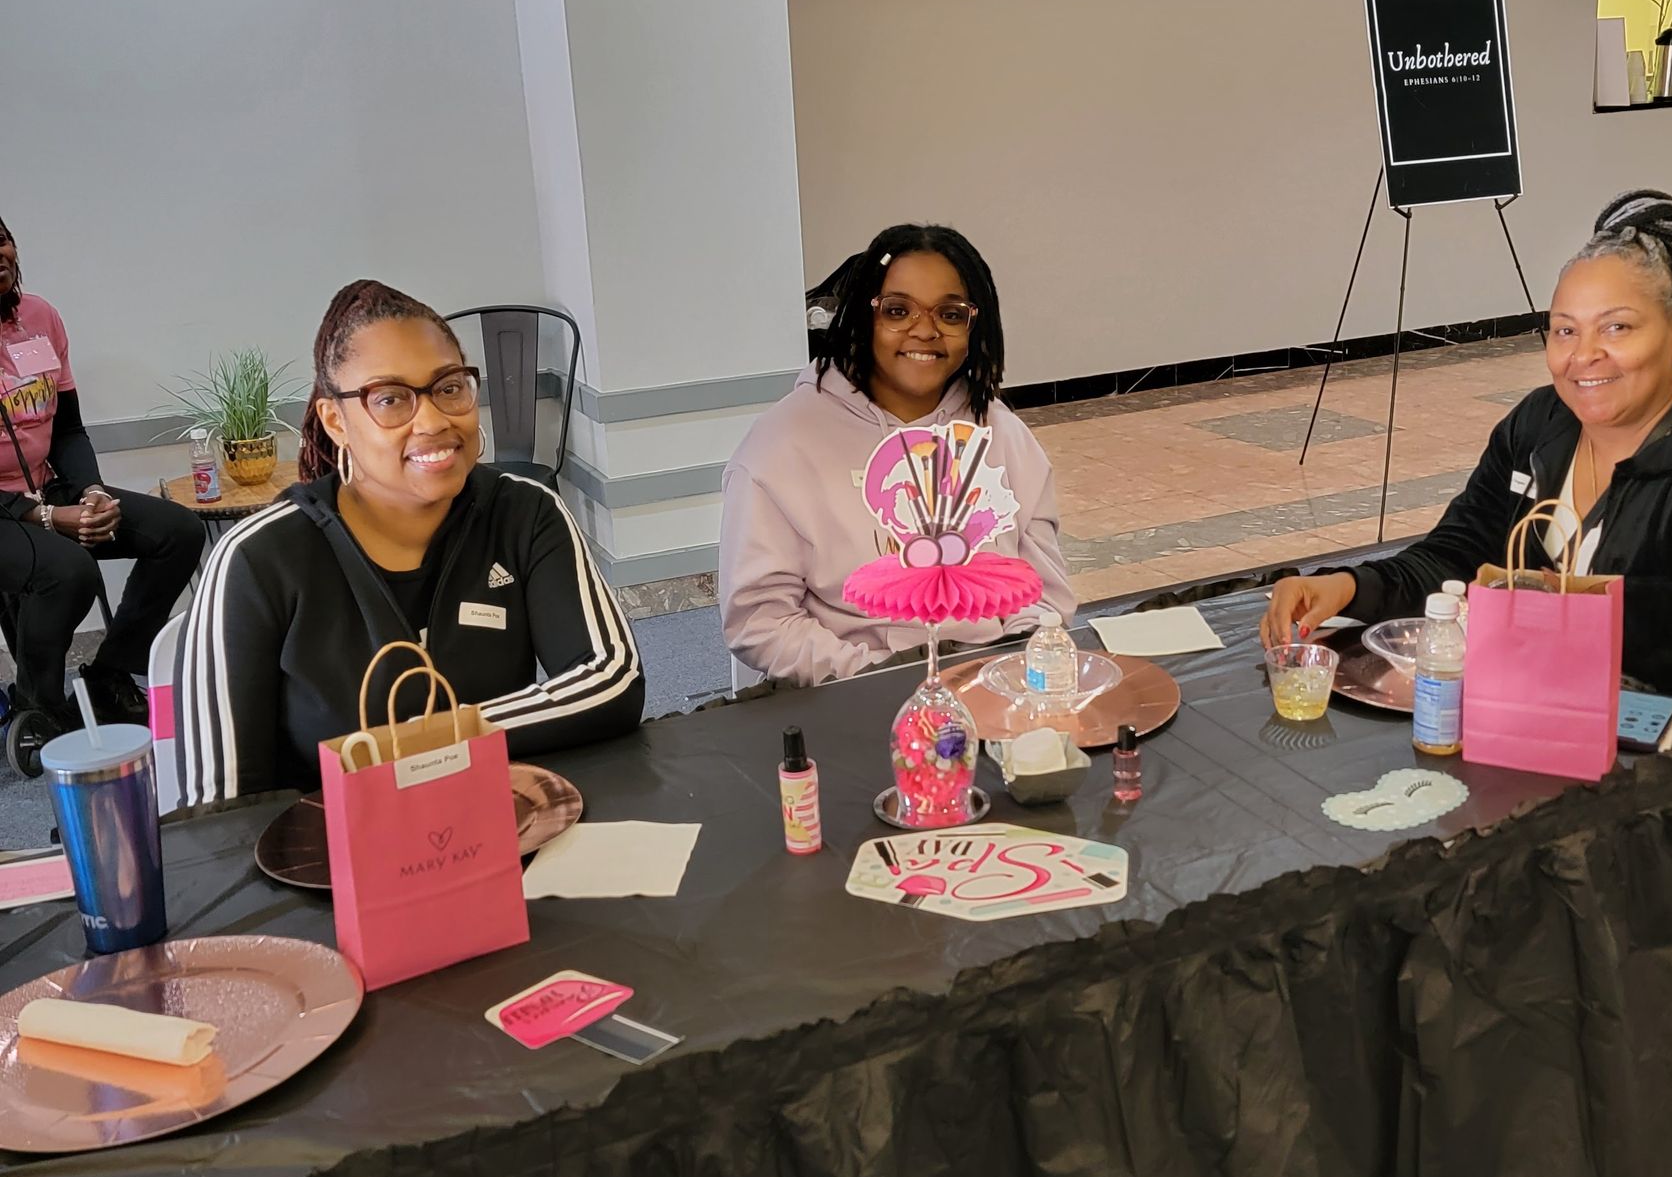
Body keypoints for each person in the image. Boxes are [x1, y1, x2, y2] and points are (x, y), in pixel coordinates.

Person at [1263, 189, 1672, 881]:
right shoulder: (1538, 428)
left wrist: (1609, 791)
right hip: (1584, 728)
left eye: (1617, 328)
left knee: (1533, 871)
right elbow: (1458, 552)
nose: (1585, 357)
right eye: (1564, 329)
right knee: (1420, 825)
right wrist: (1346, 586)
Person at [175, 279, 643, 804]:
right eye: (391, 399)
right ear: (336, 421)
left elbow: (611, 681)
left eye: (448, 387)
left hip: (500, 834)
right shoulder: (257, 559)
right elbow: (220, 811)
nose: (434, 420)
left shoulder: (523, 513)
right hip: (326, 868)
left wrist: (417, 745)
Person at [720, 223, 1076, 684]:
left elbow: (1043, 591)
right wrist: (886, 680)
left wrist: (1015, 665)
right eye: (897, 310)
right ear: (863, 319)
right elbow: (760, 621)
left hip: (994, 684)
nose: (924, 330)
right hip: (856, 693)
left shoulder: (1002, 434)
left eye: (950, 314)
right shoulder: (780, 447)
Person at [0, 214, 204, 755]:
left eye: (0, 239)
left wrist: (90, 491)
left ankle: (111, 673)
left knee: (177, 530)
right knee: (69, 571)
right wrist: (42, 518)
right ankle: (37, 705)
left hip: (47, 486)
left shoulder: (40, 317)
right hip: (4, 510)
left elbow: (66, 427)